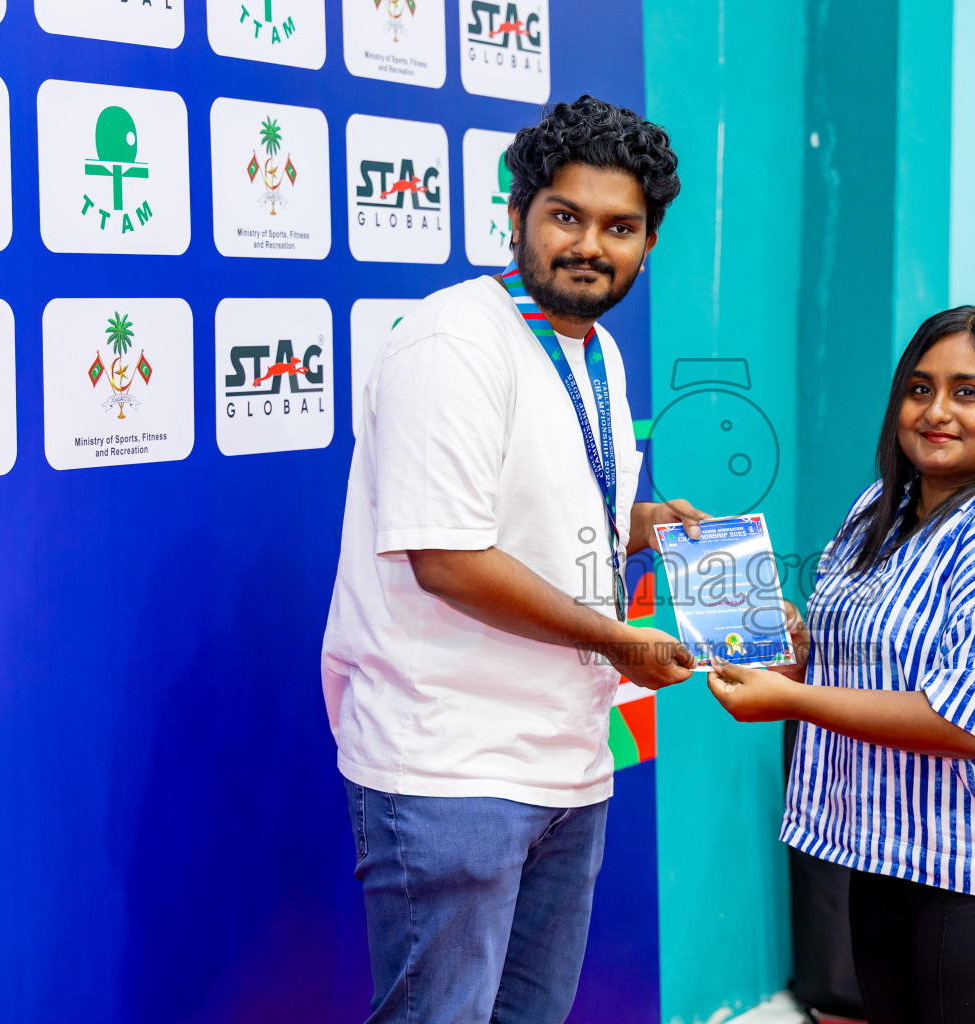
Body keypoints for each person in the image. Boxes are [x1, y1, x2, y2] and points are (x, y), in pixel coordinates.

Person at [321, 96, 708, 1024]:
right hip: (451, 765)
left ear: (648, 243)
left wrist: (645, 523)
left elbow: (539, 509)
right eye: (566, 216)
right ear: (518, 214)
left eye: (621, 227)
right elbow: (448, 556)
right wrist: (618, 640)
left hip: (567, 759)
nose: (591, 246)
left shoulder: (598, 352)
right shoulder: (455, 341)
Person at [708, 306, 975, 1024]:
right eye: (920, 388)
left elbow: (966, 723)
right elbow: (862, 648)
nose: (937, 412)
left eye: (968, 392)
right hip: (894, 850)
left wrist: (792, 702)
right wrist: (790, 650)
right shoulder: (882, 507)